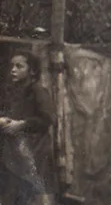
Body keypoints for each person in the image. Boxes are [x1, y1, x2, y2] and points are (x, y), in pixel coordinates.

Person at [0, 51, 54, 205]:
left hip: (34, 151)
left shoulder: (37, 91)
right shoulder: (13, 91)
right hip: (15, 152)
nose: (13, 70)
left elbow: (48, 118)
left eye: (19, 66)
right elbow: (10, 113)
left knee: (35, 194)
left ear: (32, 71)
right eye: (12, 66)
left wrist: (22, 124)